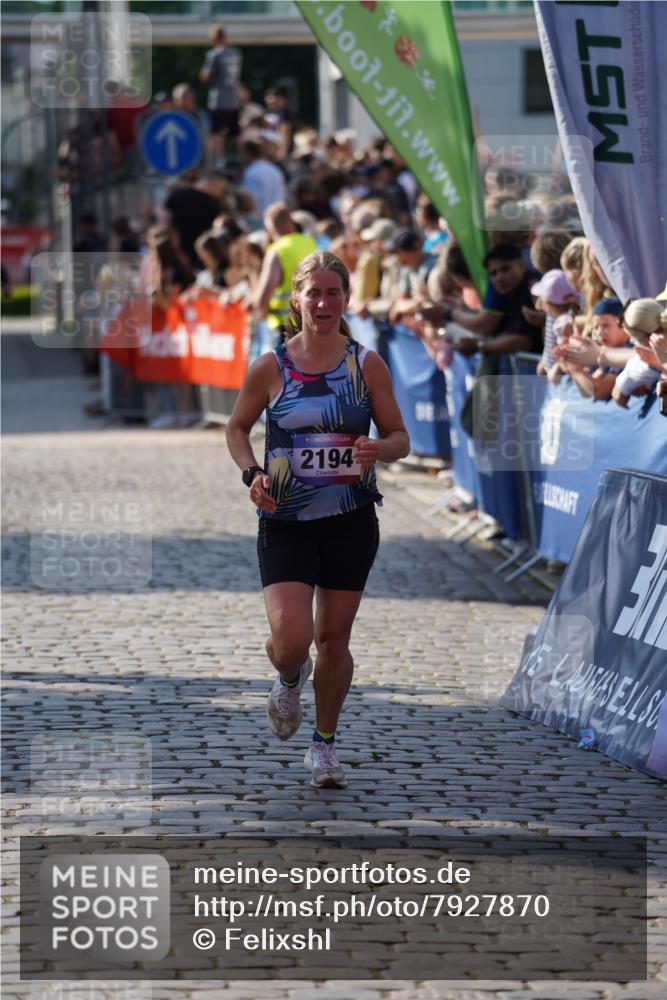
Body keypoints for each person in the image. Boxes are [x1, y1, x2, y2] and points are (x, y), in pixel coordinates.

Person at [225, 251, 410, 788]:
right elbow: (237, 428)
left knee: (333, 640)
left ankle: (324, 746)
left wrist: (380, 447)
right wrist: (250, 473)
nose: (324, 303)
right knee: (291, 640)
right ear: (297, 300)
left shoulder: (366, 364)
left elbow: (400, 437)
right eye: (315, 293)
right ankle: (287, 676)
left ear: (346, 300)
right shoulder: (271, 366)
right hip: (284, 518)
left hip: (349, 520)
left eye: (333, 294)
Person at [253, 201, 317, 338]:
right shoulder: (310, 243)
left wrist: (262, 314)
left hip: (285, 328)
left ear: (269, 230)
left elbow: (262, 298)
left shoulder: (277, 250)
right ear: (291, 223)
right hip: (311, 322)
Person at [199, 25, 242, 163]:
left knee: (216, 134)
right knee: (236, 134)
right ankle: (241, 159)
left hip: (219, 100)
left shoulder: (214, 54)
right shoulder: (235, 54)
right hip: (234, 100)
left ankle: (219, 162)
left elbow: (206, 76)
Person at [240, 140, 287, 216]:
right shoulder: (275, 169)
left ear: (248, 153)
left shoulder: (251, 172)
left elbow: (249, 200)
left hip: (258, 220)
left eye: (242, 153)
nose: (241, 157)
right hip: (275, 218)